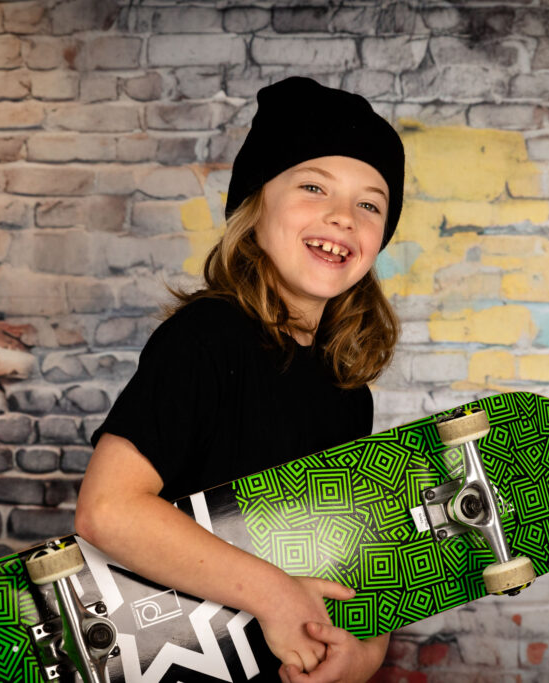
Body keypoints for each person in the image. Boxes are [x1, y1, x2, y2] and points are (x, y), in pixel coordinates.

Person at [76, 76, 405, 683]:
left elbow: (353, 557)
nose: (342, 217)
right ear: (254, 209)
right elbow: (108, 509)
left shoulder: (347, 391)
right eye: (313, 187)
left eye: (370, 203)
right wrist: (276, 597)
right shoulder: (207, 338)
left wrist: (362, 656)